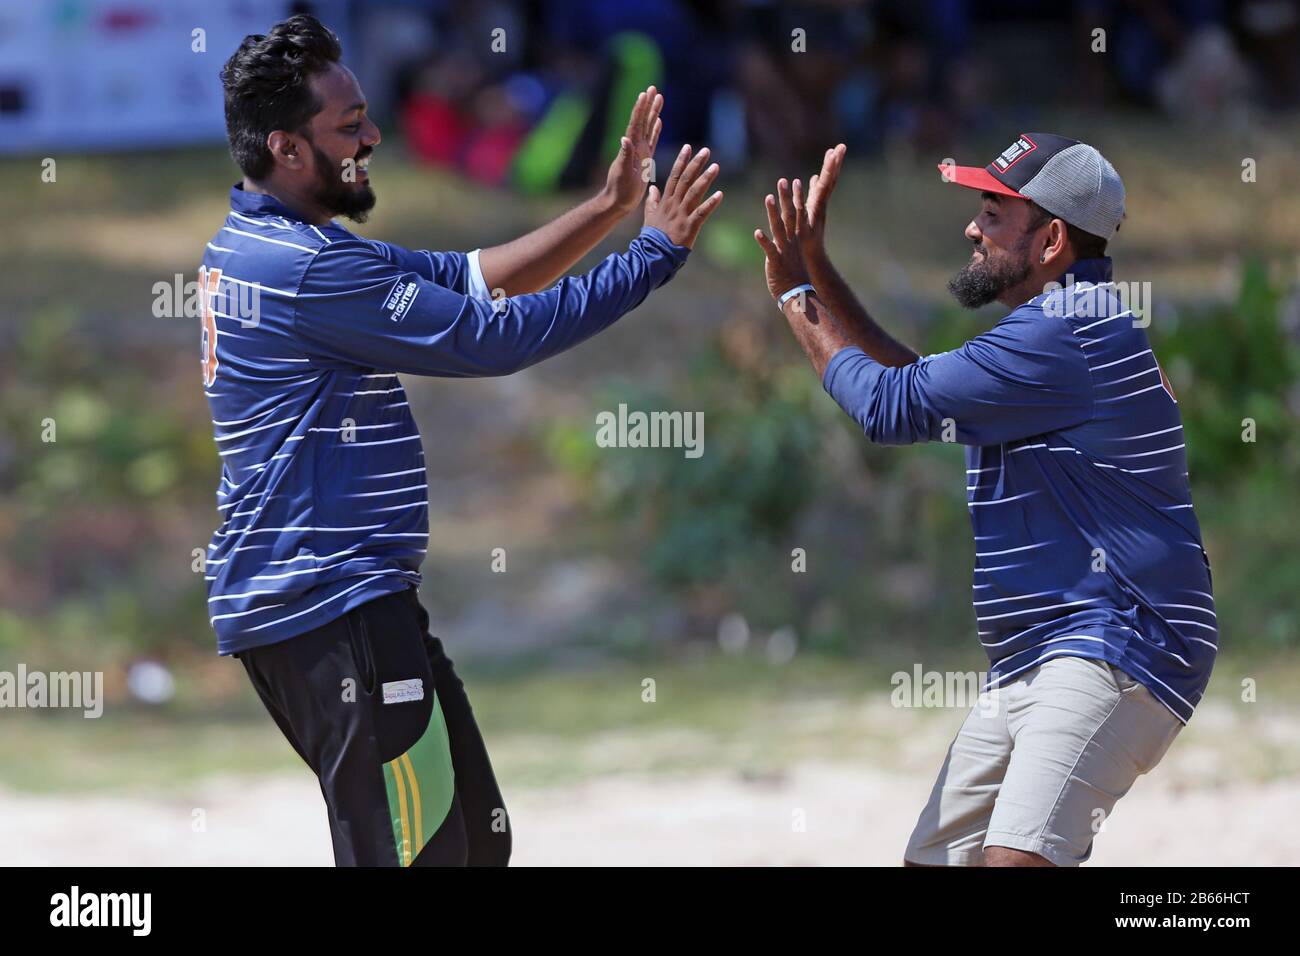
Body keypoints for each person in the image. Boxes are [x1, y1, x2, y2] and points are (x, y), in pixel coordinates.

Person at [200, 13, 723, 866]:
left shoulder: (273, 243)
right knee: (423, 858)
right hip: (330, 609)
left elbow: (470, 279)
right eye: (348, 126)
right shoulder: (305, 269)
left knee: (478, 843)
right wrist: (652, 255)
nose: (372, 134)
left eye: (365, 113)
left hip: (347, 608)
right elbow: (495, 339)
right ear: (287, 149)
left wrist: (607, 208)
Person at [754, 134, 1215, 866]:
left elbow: (890, 408)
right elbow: (915, 385)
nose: (973, 226)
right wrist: (819, 271)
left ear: (1051, 238)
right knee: (936, 861)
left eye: (995, 213)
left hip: (1120, 638)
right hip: (1043, 651)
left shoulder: (1067, 331)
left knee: (1015, 861)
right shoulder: (1057, 326)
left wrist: (791, 294)